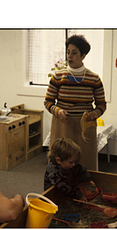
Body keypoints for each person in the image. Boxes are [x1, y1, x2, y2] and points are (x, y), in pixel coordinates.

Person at [44, 34, 106, 170]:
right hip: (62, 125)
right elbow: (48, 102)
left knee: (85, 162)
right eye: (68, 52)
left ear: (83, 56)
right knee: (60, 159)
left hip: (85, 127)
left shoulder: (94, 78)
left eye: (74, 53)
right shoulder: (58, 76)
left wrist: (94, 114)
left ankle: (85, 188)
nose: (69, 56)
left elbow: (102, 105)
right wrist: (58, 111)